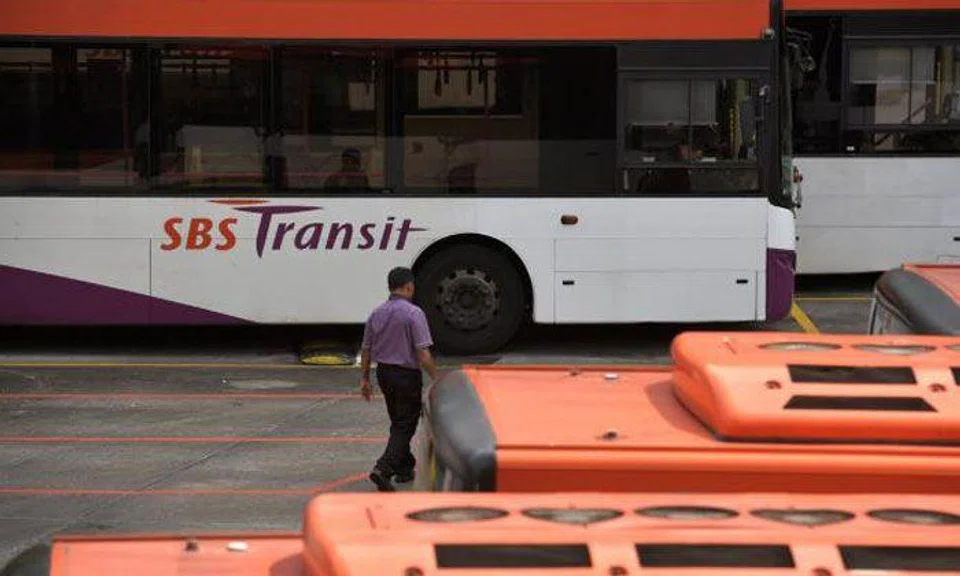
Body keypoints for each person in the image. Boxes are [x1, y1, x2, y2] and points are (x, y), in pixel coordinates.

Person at [359, 266, 439, 492]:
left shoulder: (376, 313)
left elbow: (366, 349)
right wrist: (437, 377)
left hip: (384, 373)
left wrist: (364, 379)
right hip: (406, 375)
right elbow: (423, 353)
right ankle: (383, 469)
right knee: (406, 423)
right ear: (409, 286)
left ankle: (405, 467)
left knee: (398, 421)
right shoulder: (414, 314)